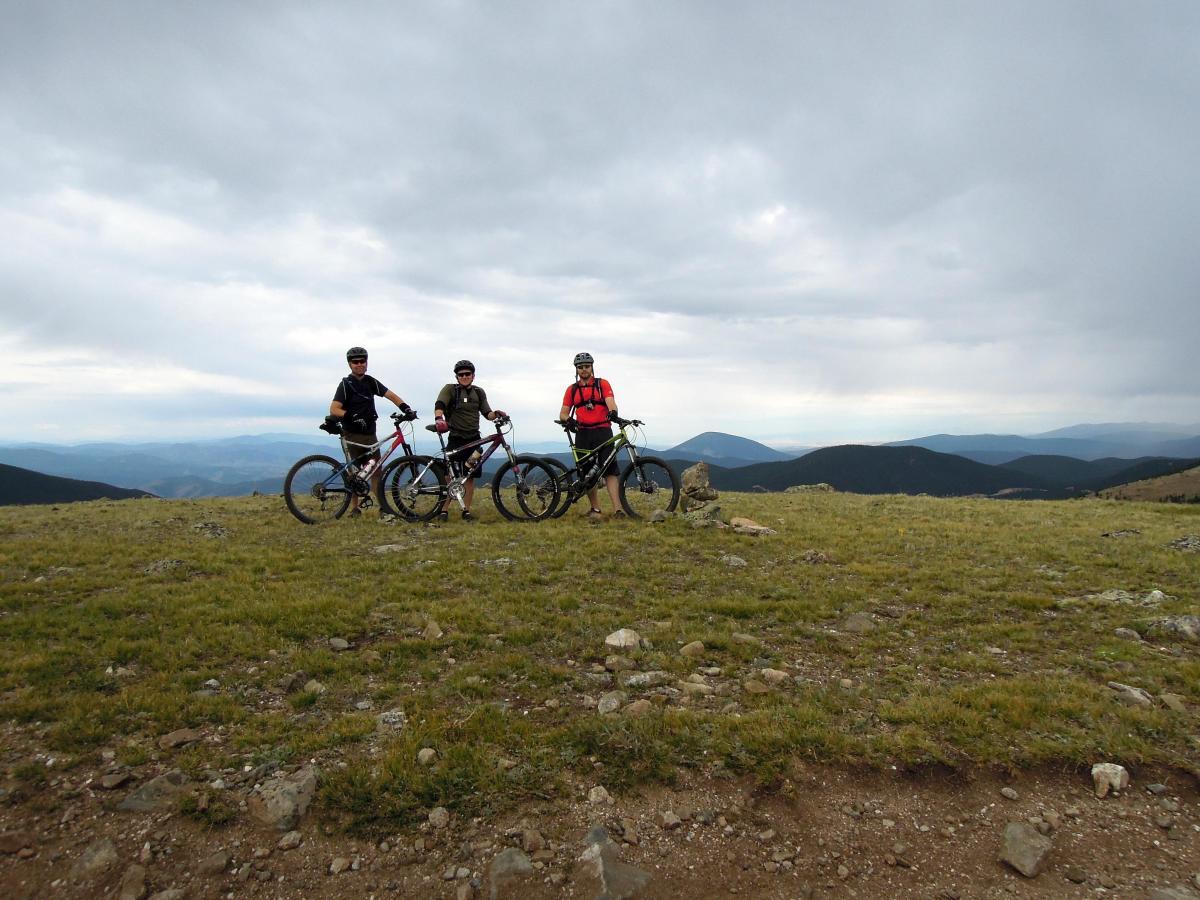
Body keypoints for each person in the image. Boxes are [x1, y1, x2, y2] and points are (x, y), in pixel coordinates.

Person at [329, 346, 414, 515]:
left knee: (376, 472)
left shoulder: (370, 381)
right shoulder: (345, 385)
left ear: (367, 363)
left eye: (362, 361)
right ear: (350, 365)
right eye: (355, 362)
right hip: (352, 433)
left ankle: (383, 507)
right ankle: (354, 508)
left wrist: (406, 408)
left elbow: (391, 395)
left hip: (370, 434)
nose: (359, 364)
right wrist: (350, 416)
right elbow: (334, 409)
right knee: (355, 472)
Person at [433, 360, 507, 521]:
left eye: (468, 374)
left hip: (474, 439)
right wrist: (439, 418)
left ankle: (466, 511)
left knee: (469, 476)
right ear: (457, 376)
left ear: (473, 376)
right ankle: (443, 510)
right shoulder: (450, 389)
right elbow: (440, 403)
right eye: (461, 374)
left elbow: (487, 413)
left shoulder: (479, 392)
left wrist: (497, 414)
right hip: (455, 438)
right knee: (449, 477)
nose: (464, 376)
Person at [559, 351, 623, 519]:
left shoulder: (603, 384)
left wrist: (613, 412)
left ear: (592, 367)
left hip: (603, 431)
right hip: (583, 433)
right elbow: (563, 413)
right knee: (586, 473)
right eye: (580, 367)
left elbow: (610, 401)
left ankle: (618, 510)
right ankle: (595, 509)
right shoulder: (571, 390)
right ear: (576, 370)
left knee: (610, 470)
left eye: (586, 366)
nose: (584, 370)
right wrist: (569, 420)